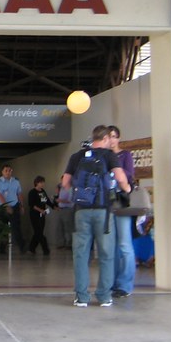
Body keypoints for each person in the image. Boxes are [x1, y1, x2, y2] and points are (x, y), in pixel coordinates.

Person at [61, 125, 131, 308]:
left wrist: (79, 193)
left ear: (93, 138)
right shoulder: (109, 155)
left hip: (81, 211)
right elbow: (121, 178)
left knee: (81, 254)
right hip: (102, 211)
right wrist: (127, 189)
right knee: (106, 254)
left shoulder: (77, 156)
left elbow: (65, 182)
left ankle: (81, 297)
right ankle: (104, 296)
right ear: (106, 138)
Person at [108, 125, 137, 297]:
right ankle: (111, 282)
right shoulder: (103, 156)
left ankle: (125, 285)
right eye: (109, 136)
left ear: (118, 138)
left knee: (125, 244)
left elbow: (129, 175)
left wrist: (115, 168)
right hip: (107, 203)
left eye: (114, 136)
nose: (111, 140)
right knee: (111, 246)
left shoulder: (125, 155)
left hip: (122, 202)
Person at [0, 165, 26, 252]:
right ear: (2, 172)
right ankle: (2, 248)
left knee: (16, 227)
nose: (8, 172)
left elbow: (19, 193)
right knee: (3, 228)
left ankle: (22, 247)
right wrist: (6, 206)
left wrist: (22, 206)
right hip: (2, 207)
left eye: (10, 171)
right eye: (6, 171)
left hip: (15, 206)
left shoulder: (16, 181)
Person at [27, 175, 53, 255]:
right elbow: (31, 204)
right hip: (35, 215)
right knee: (39, 232)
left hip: (42, 215)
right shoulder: (32, 192)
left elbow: (47, 201)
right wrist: (40, 210)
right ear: (36, 183)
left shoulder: (42, 191)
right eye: (41, 182)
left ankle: (31, 248)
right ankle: (46, 250)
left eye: (43, 182)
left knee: (38, 232)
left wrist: (53, 206)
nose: (42, 184)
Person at [54, 182, 74, 249]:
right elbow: (57, 194)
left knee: (68, 227)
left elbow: (70, 200)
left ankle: (69, 244)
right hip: (61, 209)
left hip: (68, 209)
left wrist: (60, 200)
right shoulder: (61, 189)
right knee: (59, 227)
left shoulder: (71, 189)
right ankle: (61, 243)